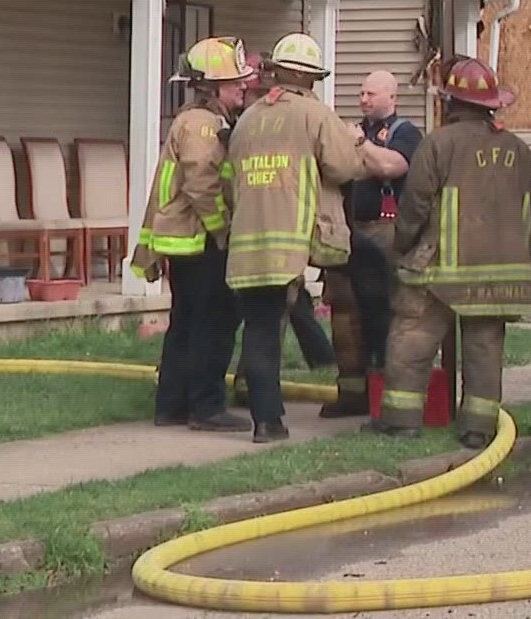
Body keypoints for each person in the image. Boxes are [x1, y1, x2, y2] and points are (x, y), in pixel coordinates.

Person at [365, 57, 531, 450]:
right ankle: (478, 428)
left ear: (450, 103)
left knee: (412, 340)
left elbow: (415, 207)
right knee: (485, 350)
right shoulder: (520, 151)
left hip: (440, 271)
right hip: (500, 274)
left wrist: (403, 247)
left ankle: (401, 421)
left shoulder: (439, 144)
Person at [224, 33, 368, 443]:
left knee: (259, 327)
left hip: (246, 241)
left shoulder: (248, 118)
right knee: (270, 327)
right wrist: (355, 144)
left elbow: (230, 182)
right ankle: (267, 424)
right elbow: (343, 168)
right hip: (287, 244)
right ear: (310, 78)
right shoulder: (314, 114)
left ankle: (263, 413)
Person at [133, 37, 252, 433]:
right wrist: (223, 230)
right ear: (212, 87)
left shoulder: (191, 120)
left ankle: (172, 405)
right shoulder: (203, 125)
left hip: (185, 239)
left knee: (186, 321)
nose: (243, 87)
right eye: (234, 83)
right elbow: (202, 184)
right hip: (200, 239)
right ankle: (206, 407)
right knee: (213, 322)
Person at [319, 71, 420, 418]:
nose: (363, 99)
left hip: (386, 233)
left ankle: (385, 391)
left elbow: (393, 167)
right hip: (350, 231)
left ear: (392, 97)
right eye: (361, 93)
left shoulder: (404, 133)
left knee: (386, 313)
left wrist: (360, 145)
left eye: (371, 94)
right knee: (345, 314)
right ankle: (351, 393)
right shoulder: (351, 131)